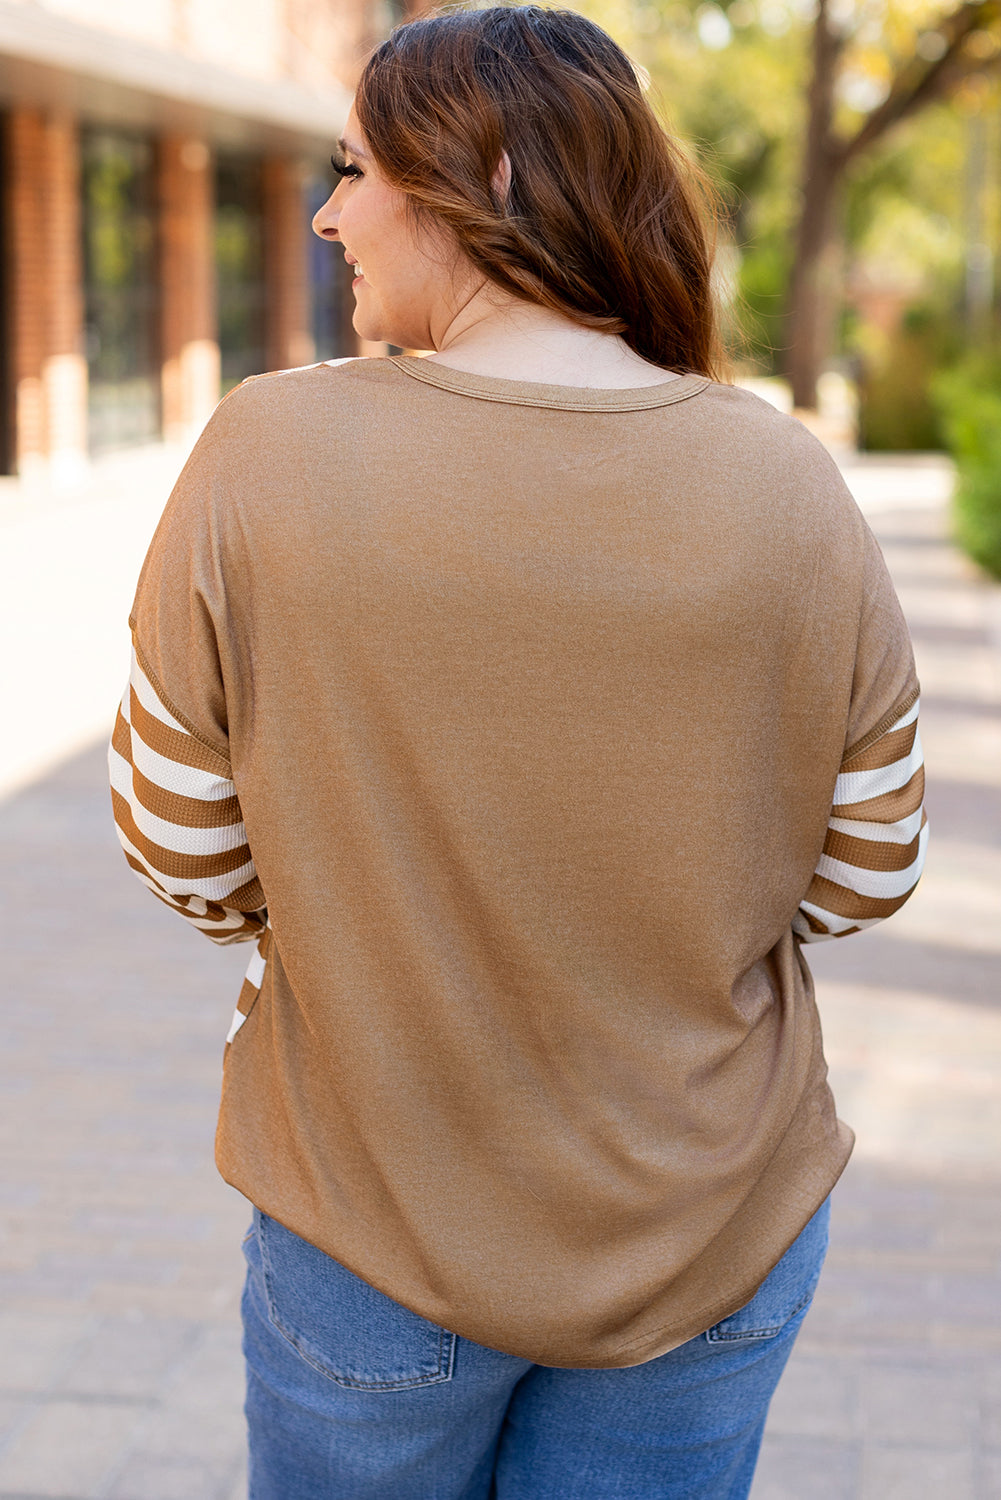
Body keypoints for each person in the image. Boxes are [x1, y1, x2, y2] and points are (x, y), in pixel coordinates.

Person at [109, 7, 927, 1497]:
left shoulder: (264, 451)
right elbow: (868, 867)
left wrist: (359, 920)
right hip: (706, 1225)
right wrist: (662, 901)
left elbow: (177, 839)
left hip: (369, 1213)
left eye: (357, 169)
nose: (326, 212)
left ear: (478, 173)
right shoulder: (784, 483)